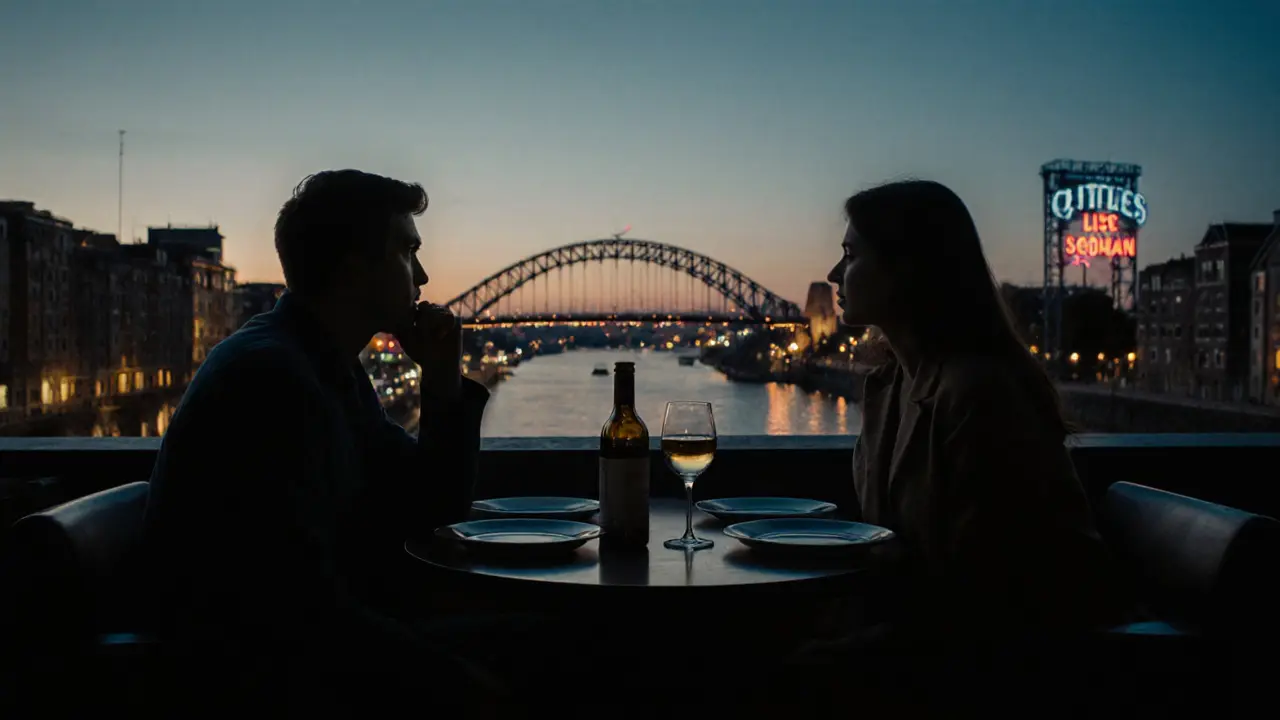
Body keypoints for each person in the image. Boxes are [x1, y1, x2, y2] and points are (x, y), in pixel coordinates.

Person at [142, 170, 498, 713]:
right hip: (257, 678)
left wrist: (442, 378)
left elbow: (432, 502)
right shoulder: (272, 378)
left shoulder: (319, 361)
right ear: (356, 266)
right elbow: (295, 610)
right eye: (408, 252)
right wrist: (465, 683)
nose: (423, 275)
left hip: (311, 644)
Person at [792, 180, 1132, 705]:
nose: (836, 275)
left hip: (1021, 663)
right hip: (935, 634)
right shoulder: (888, 387)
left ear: (907, 267)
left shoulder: (981, 393)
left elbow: (997, 587)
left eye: (851, 255)